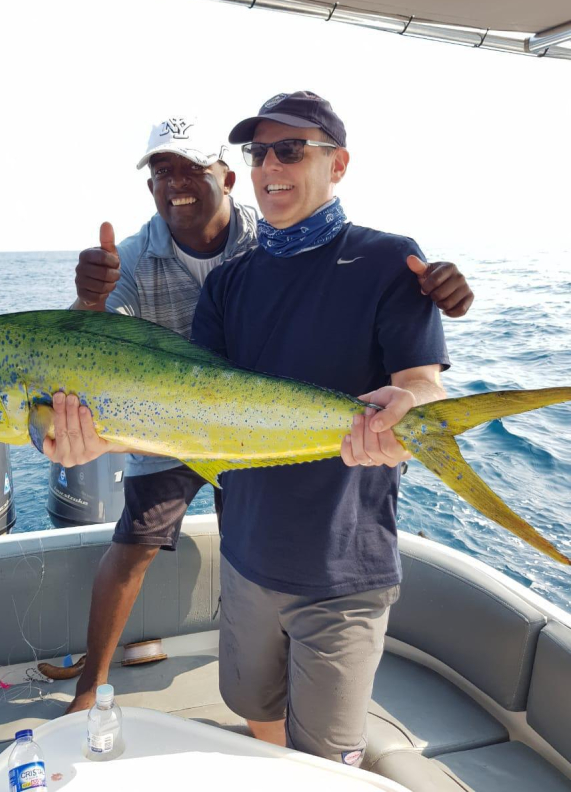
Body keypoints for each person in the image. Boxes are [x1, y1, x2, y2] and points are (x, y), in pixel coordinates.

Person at [46, 111, 473, 717]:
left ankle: (259, 650)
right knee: (134, 542)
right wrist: (88, 301)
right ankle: (91, 685)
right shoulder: (135, 255)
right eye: (162, 172)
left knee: (247, 528)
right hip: (158, 421)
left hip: (249, 424)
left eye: (192, 168)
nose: (176, 183)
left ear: (225, 177)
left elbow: (335, 282)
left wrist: (438, 294)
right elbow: (92, 348)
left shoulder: (267, 231)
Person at [188, 90, 450, 766]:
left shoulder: (391, 260)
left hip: (343, 572)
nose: (269, 166)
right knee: (254, 709)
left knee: (326, 763)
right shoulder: (226, 283)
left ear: (338, 164)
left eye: (290, 150)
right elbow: (192, 411)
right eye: (258, 152)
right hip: (245, 555)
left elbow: (423, 382)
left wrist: (409, 407)